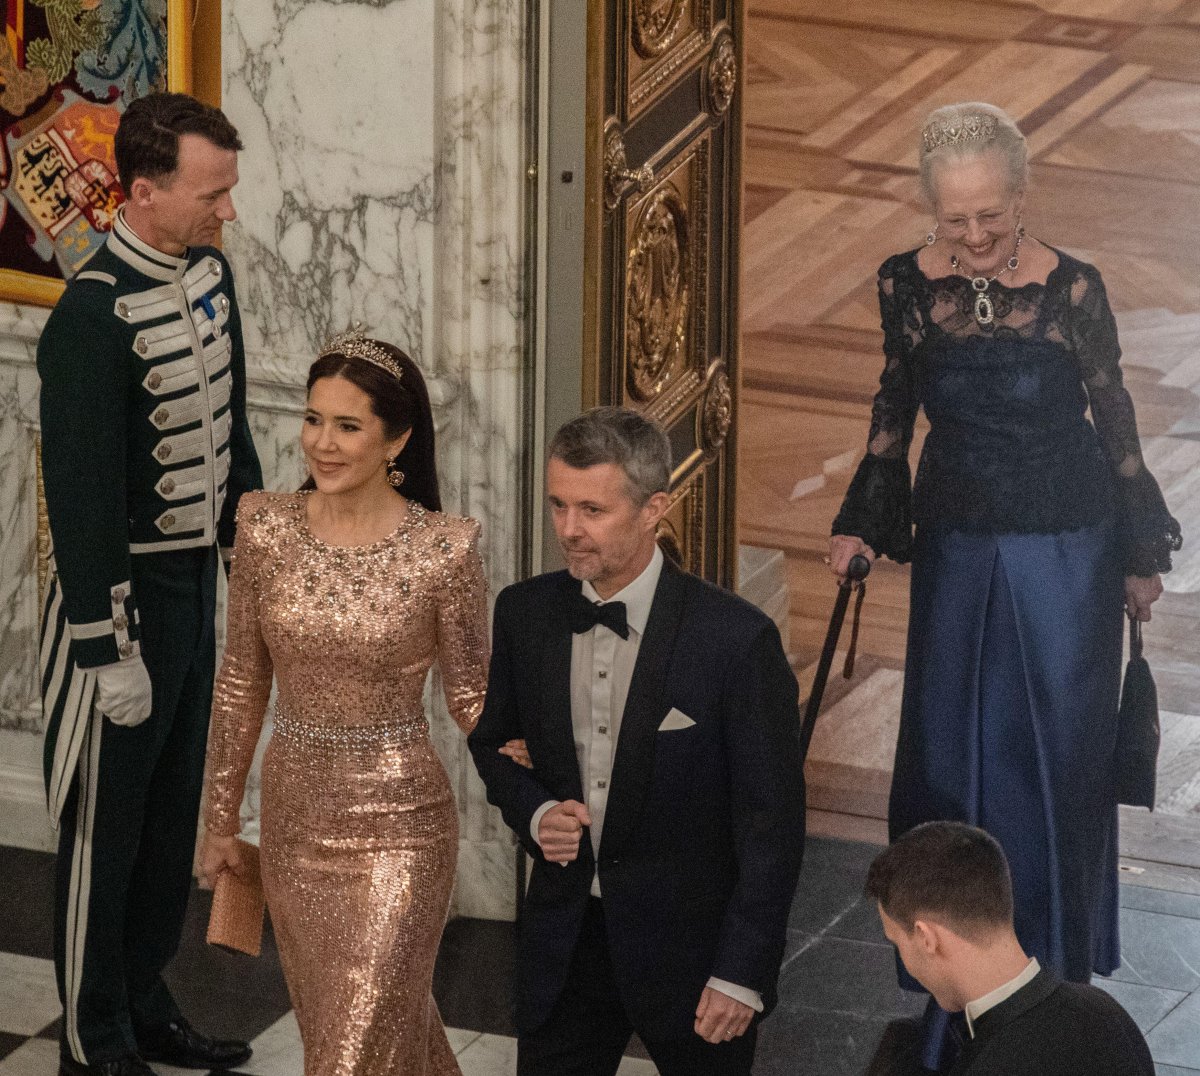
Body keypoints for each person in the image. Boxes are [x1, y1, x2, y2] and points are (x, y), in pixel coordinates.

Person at [828, 102, 1182, 1069]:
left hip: (1068, 551)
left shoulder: (1074, 289)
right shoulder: (905, 284)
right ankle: (954, 976)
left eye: (993, 217)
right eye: (956, 222)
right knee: (952, 757)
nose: (976, 239)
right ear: (929, 210)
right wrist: (863, 514)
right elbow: (895, 399)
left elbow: (1113, 417)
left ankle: (1051, 982)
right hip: (957, 544)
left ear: (1021, 199)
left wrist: (1140, 552)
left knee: (1055, 764)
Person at [468, 405, 806, 1076]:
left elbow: (771, 825)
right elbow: (491, 744)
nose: (568, 530)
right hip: (566, 946)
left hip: (693, 956)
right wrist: (536, 813)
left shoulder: (735, 642)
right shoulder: (525, 613)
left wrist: (742, 972)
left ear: (656, 507)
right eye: (559, 505)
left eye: (592, 510)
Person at [37, 93, 262, 1076]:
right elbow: (79, 499)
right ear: (144, 191)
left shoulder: (208, 275)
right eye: (211, 194)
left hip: (191, 594)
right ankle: (94, 1032)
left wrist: (254, 543)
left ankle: (143, 996)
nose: (226, 212)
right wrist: (101, 645)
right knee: (106, 830)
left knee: (171, 819)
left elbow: (232, 430)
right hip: (118, 604)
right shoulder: (88, 319)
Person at [200, 331, 489, 1076]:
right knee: (365, 1037)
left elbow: (472, 698)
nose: (321, 444)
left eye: (348, 425)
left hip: (403, 831)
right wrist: (220, 820)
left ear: (398, 439)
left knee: (353, 1051)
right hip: (295, 825)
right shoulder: (263, 526)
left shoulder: (445, 550)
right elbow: (240, 683)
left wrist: (554, 772)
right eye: (312, 419)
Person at [864, 821, 1154, 1076]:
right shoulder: (1108, 1014)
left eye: (897, 943)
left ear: (927, 938)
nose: (905, 964)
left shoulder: (988, 1065)